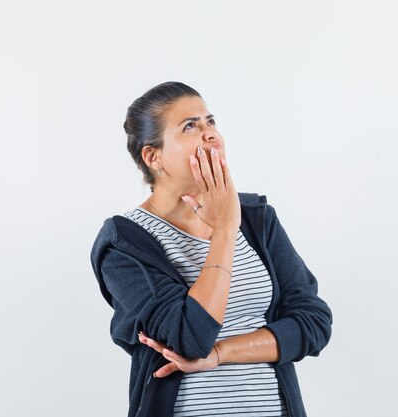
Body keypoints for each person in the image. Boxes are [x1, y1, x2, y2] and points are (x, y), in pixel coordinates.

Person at [90, 81, 333, 417]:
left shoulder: (257, 218)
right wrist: (224, 231)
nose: (210, 134)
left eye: (211, 121)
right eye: (190, 126)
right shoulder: (125, 242)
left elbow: (314, 324)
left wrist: (222, 353)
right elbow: (190, 337)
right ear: (153, 156)